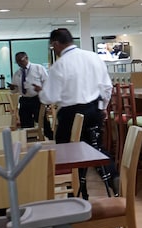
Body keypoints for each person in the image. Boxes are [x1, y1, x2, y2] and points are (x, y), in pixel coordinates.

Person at [35, 28, 116, 198]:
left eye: (52, 47)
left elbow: (50, 97)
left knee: (67, 154)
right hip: (93, 110)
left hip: (70, 114)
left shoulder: (60, 65)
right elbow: (107, 87)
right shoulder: (93, 57)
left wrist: (42, 92)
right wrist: (102, 107)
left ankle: (77, 191)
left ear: (56, 44)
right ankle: (114, 178)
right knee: (96, 148)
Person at [8, 51, 52, 139]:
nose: (19, 63)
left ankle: (50, 137)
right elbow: (15, 91)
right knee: (25, 121)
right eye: (17, 62)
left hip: (36, 98)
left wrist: (42, 89)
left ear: (26, 58)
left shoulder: (38, 68)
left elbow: (47, 82)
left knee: (42, 120)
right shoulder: (17, 73)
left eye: (21, 60)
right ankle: (29, 139)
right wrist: (12, 88)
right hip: (24, 99)